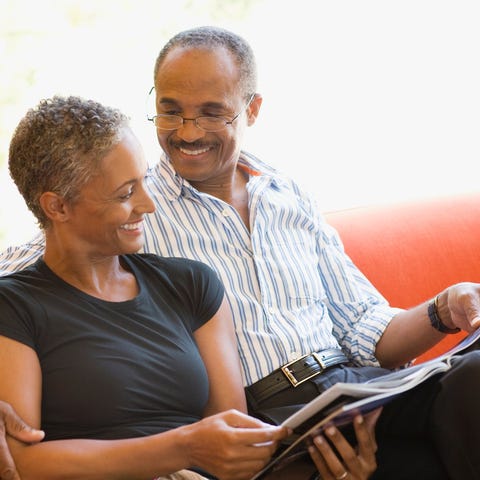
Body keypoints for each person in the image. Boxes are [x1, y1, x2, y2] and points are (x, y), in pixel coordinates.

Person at [1, 25, 479, 479]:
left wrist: (444, 308)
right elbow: (39, 267)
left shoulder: (286, 193)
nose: (187, 132)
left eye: (211, 112)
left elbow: (365, 328)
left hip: (352, 387)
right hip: (268, 416)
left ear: (251, 109)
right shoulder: (132, 207)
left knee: (470, 374)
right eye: (171, 111)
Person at [0, 95, 292, 480]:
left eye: (143, 183)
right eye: (125, 194)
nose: (148, 205)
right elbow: (21, 464)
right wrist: (181, 447)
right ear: (57, 207)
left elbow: (232, 443)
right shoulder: (15, 306)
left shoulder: (191, 284)